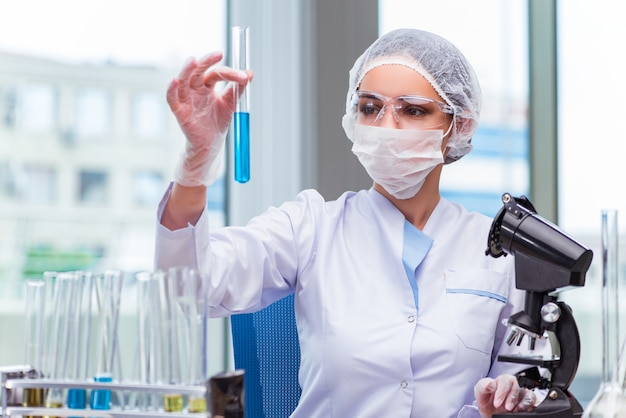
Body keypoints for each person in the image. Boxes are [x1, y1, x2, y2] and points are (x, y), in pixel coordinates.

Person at [155, 28, 538, 417]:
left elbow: (524, 386)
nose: (386, 127)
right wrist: (196, 162)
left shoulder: (499, 251)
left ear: (459, 125)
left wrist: (511, 402)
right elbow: (188, 288)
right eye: (370, 108)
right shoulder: (311, 227)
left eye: (413, 110)